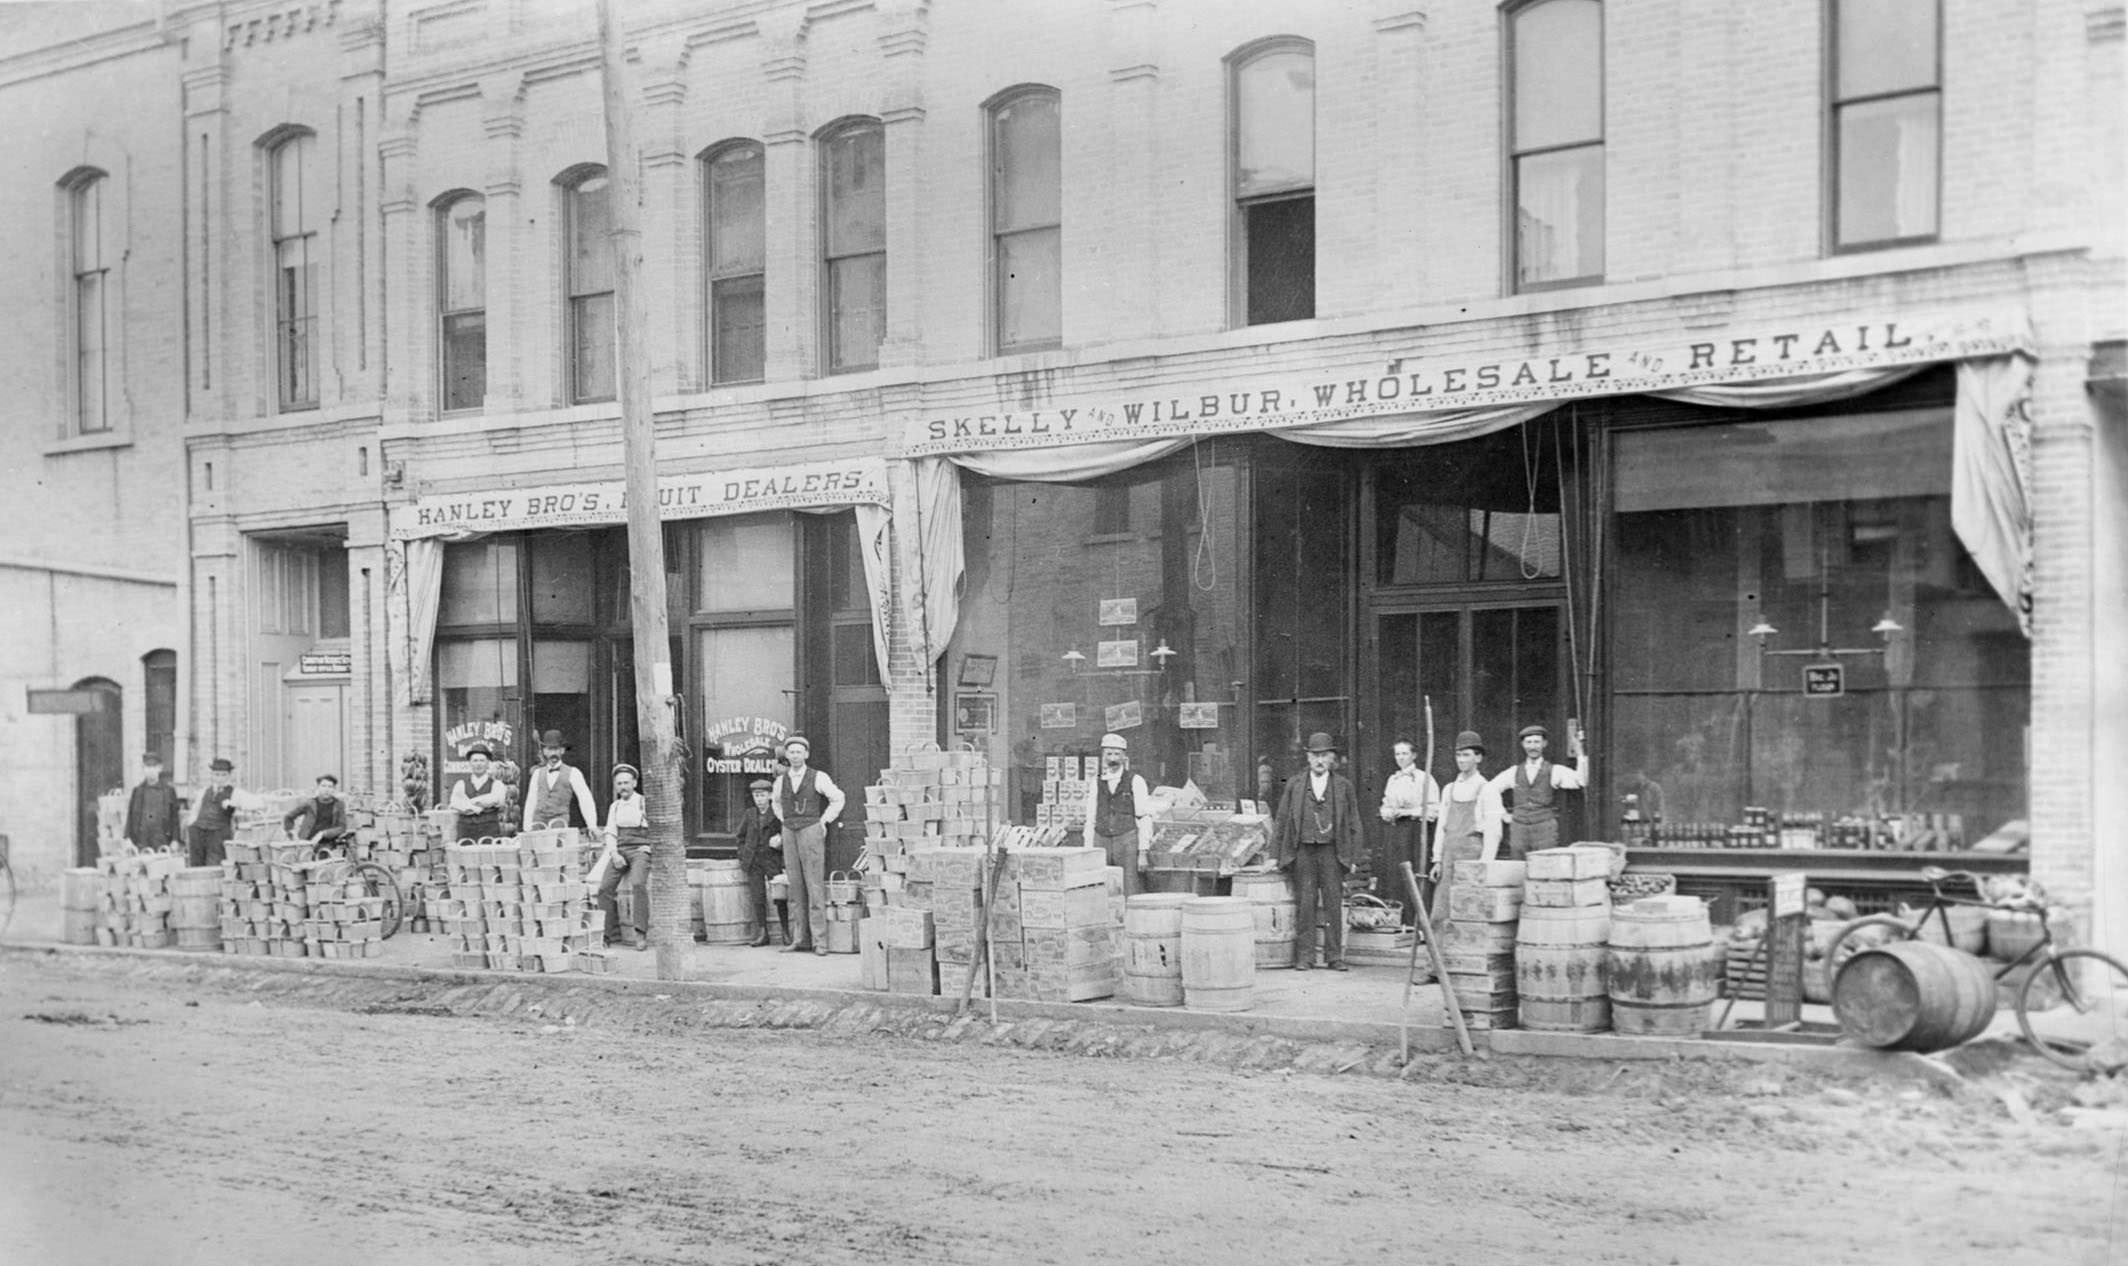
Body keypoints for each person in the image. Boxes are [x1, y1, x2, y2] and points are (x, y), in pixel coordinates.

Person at [1272, 732, 1364, 972]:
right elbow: (1281, 820)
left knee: (1334, 904)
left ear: (1332, 758)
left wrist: (1353, 856)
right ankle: (1305, 957)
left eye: (1325, 755)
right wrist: (1274, 854)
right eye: (1315, 756)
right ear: (1308, 758)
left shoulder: (1343, 786)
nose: (1320, 760)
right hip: (1303, 850)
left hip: (1332, 852)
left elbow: (1354, 822)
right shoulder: (1295, 784)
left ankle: (1335, 957)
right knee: (1305, 904)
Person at [1421, 732, 1507, 976]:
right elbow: (1442, 827)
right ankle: (1434, 969)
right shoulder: (1449, 789)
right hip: (1449, 857)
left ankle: (1467, 970)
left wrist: (1485, 864)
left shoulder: (1486, 789)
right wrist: (1437, 859)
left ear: (1478, 758)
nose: (1462, 760)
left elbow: (1493, 830)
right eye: (1459, 755)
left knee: (1469, 915)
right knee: (1439, 915)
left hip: (1472, 856)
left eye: (1467, 755)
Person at [773, 735, 844, 956]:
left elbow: (838, 798)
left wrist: (824, 821)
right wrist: (784, 819)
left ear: (806, 754)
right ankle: (799, 939)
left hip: (811, 830)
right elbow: (775, 802)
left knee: (814, 886)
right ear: (786, 755)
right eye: (791, 752)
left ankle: (819, 941)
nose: (794, 756)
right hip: (789, 831)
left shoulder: (818, 777)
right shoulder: (780, 780)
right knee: (795, 886)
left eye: (798, 752)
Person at [1485, 722, 1589, 859]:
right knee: (1517, 869)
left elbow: (1581, 781)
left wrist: (1580, 755)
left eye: (1536, 742)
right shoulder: (1513, 772)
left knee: (1544, 867)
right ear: (1523, 745)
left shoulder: (1554, 770)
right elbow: (1490, 789)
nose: (1533, 747)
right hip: (1519, 830)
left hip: (1544, 829)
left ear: (1544, 744)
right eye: (1529, 742)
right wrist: (1502, 814)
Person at [1081, 733, 1153, 897]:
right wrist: (1088, 849)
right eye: (1109, 754)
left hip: (1126, 840)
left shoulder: (1135, 781)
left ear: (1124, 757)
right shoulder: (1096, 783)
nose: (1112, 758)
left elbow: (1144, 817)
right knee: (1100, 886)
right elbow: (1090, 818)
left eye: (1117, 754)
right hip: (1101, 839)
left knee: (1129, 886)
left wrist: (1142, 852)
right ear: (1103, 756)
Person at [596, 764, 652, 950]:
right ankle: (605, 935)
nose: (623, 787)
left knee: (638, 883)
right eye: (619, 783)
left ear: (635, 783)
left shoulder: (644, 803)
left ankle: (640, 933)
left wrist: (649, 847)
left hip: (640, 851)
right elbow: (611, 833)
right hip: (620, 851)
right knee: (604, 888)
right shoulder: (615, 806)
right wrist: (614, 854)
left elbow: (658, 829)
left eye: (626, 783)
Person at [1377, 738, 1440, 889]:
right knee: (1394, 873)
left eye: (1405, 753)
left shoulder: (1423, 778)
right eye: (1397, 754)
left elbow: (1433, 810)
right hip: (1395, 833)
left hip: (1414, 833)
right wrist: (1387, 812)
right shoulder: (1393, 779)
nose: (1400, 757)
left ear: (1414, 755)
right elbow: (1386, 805)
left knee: (1412, 873)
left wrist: (1406, 812)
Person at [735, 778, 783, 947]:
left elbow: (786, 833)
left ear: (770, 796)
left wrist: (780, 840)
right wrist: (743, 855)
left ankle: (785, 932)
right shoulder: (750, 814)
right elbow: (740, 837)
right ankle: (763, 932)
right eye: (756, 796)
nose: (759, 799)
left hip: (772, 859)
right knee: (758, 896)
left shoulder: (777, 814)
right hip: (753, 860)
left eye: (762, 795)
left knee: (780, 895)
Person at [521, 730, 598, 834]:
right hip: (537, 825)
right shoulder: (537, 773)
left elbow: (585, 799)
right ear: (544, 751)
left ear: (562, 750)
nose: (553, 753)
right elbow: (531, 801)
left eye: (556, 749)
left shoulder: (573, 773)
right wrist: (527, 827)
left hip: (559, 824)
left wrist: (592, 825)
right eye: (550, 749)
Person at [448, 744, 508, 842]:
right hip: (465, 832)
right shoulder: (461, 784)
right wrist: (478, 807)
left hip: (489, 832)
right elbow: (455, 804)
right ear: (470, 763)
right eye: (475, 761)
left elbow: (496, 800)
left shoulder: (497, 785)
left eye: (482, 760)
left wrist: (469, 803)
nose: (478, 764)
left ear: (488, 763)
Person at [124, 754, 183, 853]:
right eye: (147, 767)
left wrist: (175, 840)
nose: (150, 770)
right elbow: (130, 815)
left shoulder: (168, 791)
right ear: (143, 768)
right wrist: (128, 838)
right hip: (141, 839)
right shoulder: (138, 791)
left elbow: (175, 818)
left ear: (160, 768)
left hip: (162, 838)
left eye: (154, 767)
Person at [187, 757, 238, 866]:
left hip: (218, 836)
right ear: (212, 775)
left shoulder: (235, 793)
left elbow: (254, 803)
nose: (220, 778)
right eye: (217, 774)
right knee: (197, 866)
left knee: (214, 865)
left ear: (229, 776)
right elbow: (195, 810)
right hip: (199, 833)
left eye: (223, 775)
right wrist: (192, 824)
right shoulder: (204, 791)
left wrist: (233, 804)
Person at [283, 774, 352, 849]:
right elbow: (288, 817)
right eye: (323, 786)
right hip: (306, 843)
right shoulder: (310, 803)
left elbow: (342, 827)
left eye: (330, 787)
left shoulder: (339, 805)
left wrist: (323, 834)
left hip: (326, 843)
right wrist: (292, 834)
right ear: (318, 787)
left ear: (334, 789)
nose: (326, 789)